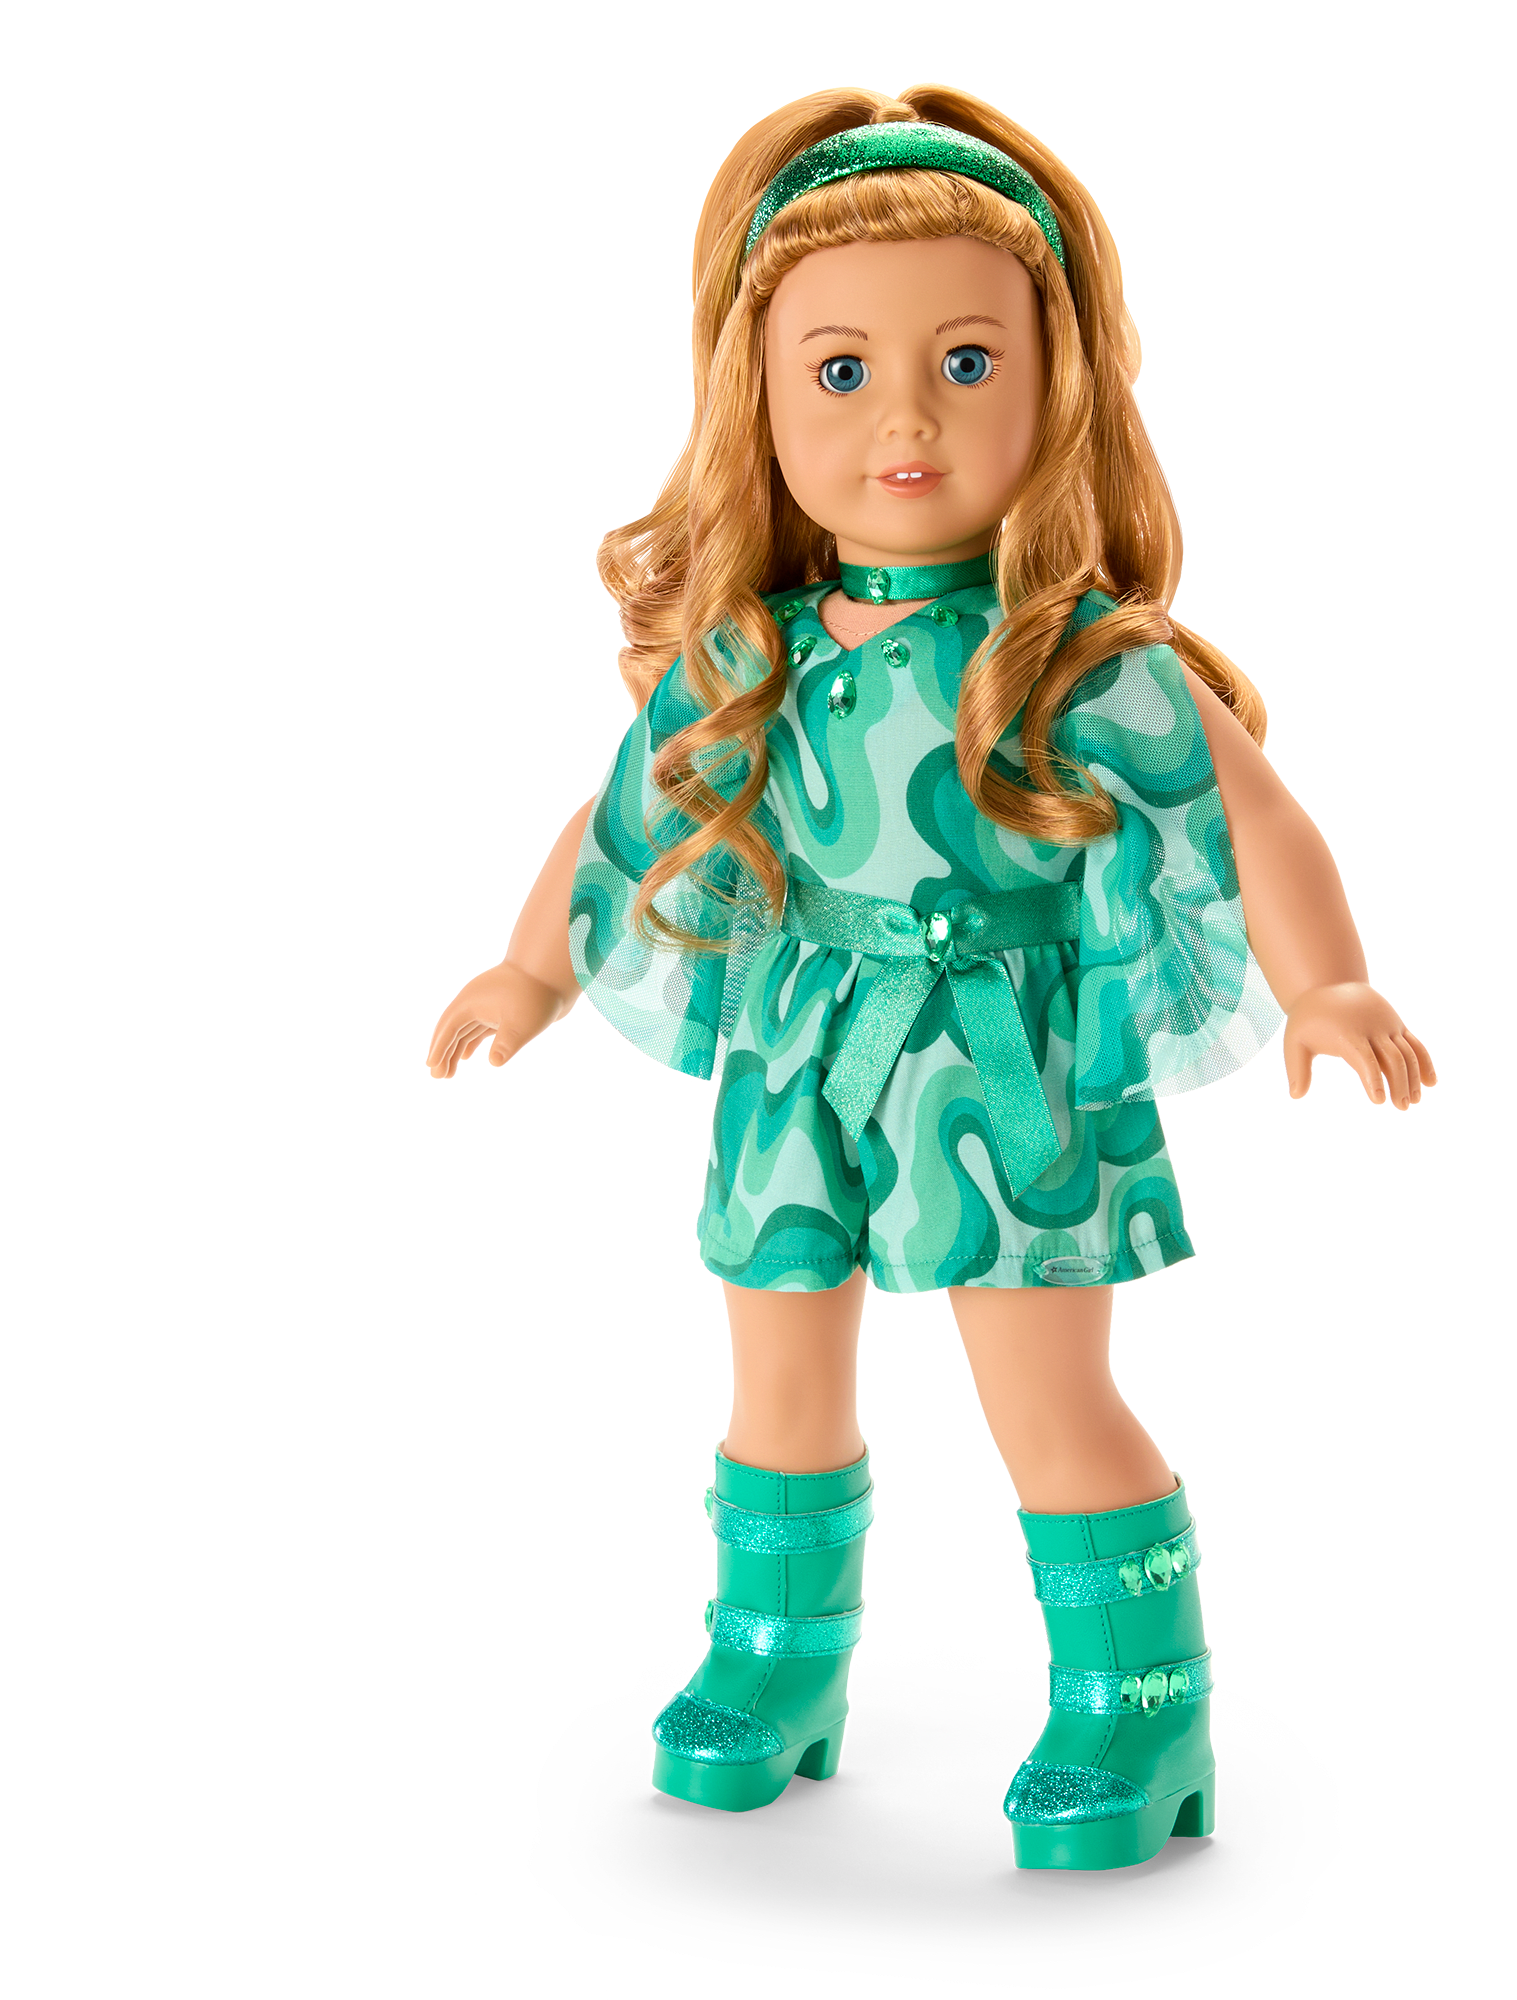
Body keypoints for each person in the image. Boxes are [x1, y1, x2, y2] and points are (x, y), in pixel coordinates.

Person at [427, 88, 1434, 1872]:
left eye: (968, 363)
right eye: (841, 372)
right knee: (776, 1362)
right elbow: (629, 820)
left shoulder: (1072, 657)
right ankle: (777, 1654)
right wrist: (529, 969)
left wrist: (1328, 983)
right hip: (797, 1045)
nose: (905, 416)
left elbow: (1250, 811)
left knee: (1042, 1391)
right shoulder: (753, 657)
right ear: (758, 401)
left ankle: (1138, 1700)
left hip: (1005, 1061)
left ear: (1058, 384)